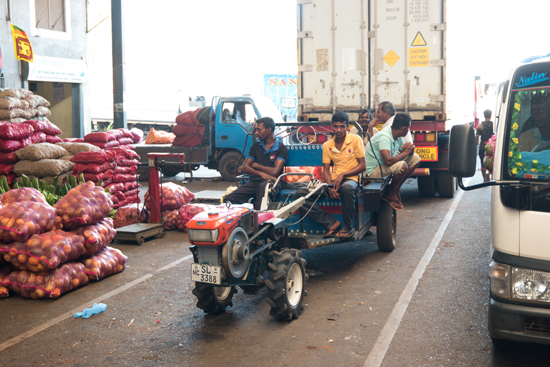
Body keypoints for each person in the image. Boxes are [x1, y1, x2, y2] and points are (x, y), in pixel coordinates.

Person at [295, 112, 366, 238]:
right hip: (333, 182)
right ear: (331, 126)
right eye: (336, 126)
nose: (338, 130)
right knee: (300, 194)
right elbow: (326, 170)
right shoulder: (327, 145)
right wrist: (329, 187)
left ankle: (347, 227)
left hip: (351, 180)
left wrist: (343, 175)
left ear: (347, 127)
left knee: (347, 188)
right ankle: (331, 222)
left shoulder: (356, 140)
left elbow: (362, 166)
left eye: (341, 127)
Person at [223, 117, 288, 209]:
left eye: (259, 130)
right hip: (254, 182)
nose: (256, 133)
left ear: (269, 130)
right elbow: (245, 167)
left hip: (272, 182)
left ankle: (260, 219)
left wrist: (256, 165)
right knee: (228, 199)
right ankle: (244, 221)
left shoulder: (281, 149)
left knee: (262, 189)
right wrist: (261, 174)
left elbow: (274, 172)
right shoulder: (255, 146)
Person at [365, 113, 421, 210]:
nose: (408, 131)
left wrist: (410, 150)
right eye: (408, 128)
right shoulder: (384, 137)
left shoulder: (396, 136)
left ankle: (396, 189)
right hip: (373, 172)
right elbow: (388, 161)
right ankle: (390, 193)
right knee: (402, 166)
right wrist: (405, 153)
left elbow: (406, 152)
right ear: (403, 128)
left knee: (416, 158)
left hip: (383, 167)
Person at [476, 109, 494, 182]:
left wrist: (476, 145)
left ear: (484, 116)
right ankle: (488, 174)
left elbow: (476, 138)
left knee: (482, 163)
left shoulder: (480, 126)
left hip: (482, 147)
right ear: (490, 115)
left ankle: (484, 179)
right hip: (491, 147)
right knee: (491, 162)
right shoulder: (493, 125)